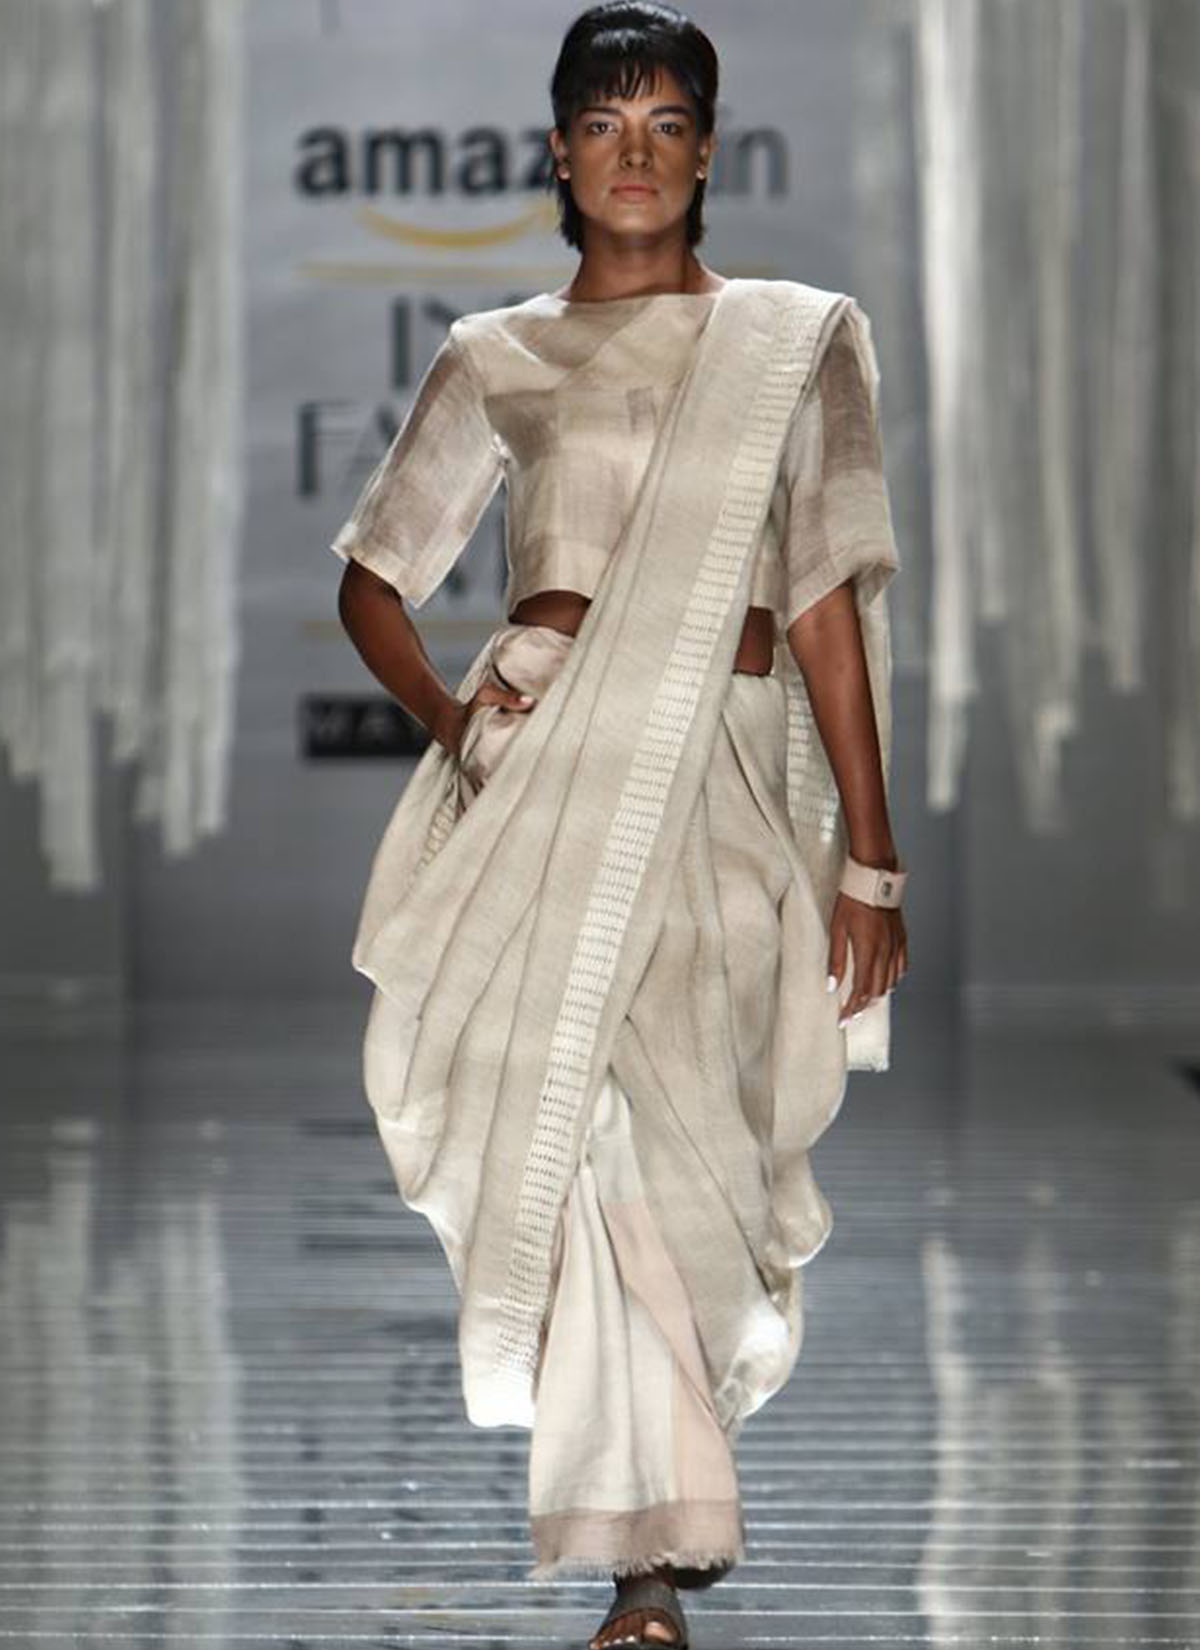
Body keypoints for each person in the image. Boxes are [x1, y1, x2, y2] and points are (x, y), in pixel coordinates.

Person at [331, 4, 909, 1644]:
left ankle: (666, 1481)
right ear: (562, 152)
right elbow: (375, 576)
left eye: (665, 122)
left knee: (690, 1139)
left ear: (708, 149)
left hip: (719, 776)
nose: (635, 152)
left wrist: (872, 860)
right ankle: (645, 1558)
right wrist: (459, 723)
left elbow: (822, 606)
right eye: (605, 123)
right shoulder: (497, 354)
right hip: (552, 772)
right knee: (588, 1139)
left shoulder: (793, 342)